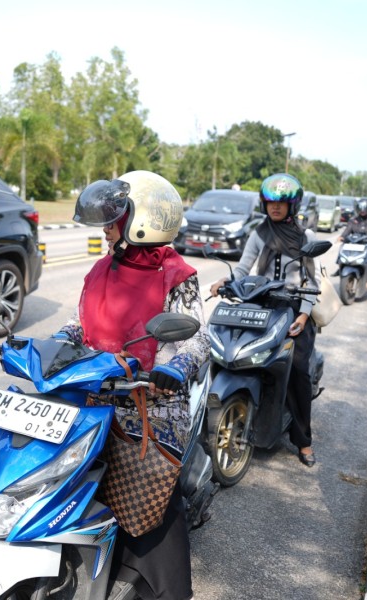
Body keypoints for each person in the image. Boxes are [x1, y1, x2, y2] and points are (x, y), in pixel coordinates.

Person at [56, 170, 209, 600]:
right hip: (93, 391)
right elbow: (77, 324)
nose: (106, 228)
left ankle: (169, 589)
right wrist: (52, 345)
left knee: (155, 499)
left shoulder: (176, 275)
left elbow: (197, 340)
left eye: (113, 219)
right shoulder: (101, 268)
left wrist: (175, 369)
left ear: (142, 220)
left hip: (148, 401)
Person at [210, 173, 320, 467]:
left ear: (292, 205)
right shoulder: (259, 233)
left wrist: (305, 312)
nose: (275, 208)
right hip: (260, 306)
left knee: (298, 370)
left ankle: (303, 440)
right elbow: (244, 268)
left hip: (295, 310)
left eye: (281, 203)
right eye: (270, 202)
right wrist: (227, 280)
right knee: (229, 351)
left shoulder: (305, 237)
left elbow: (313, 278)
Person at [337, 197, 367, 289]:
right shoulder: (353, 220)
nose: (362, 211)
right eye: (361, 209)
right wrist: (342, 237)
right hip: (354, 245)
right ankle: (339, 266)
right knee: (341, 248)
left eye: (365, 209)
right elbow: (347, 230)